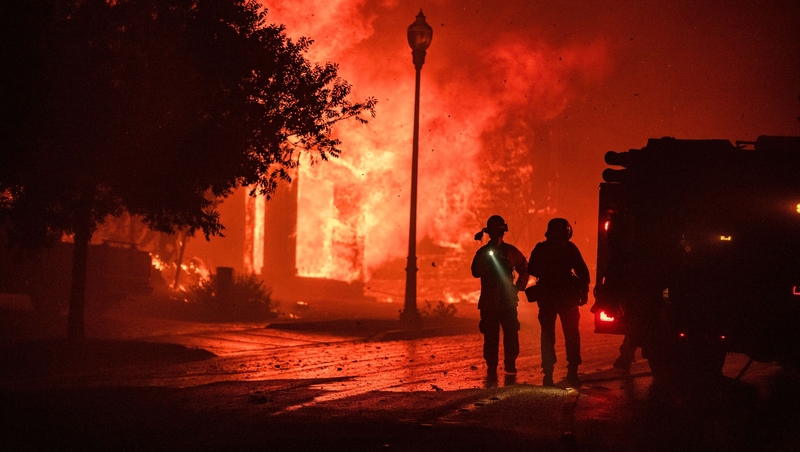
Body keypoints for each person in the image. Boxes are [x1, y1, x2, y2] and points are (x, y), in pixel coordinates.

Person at [528, 218, 590, 387]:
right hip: (567, 298)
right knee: (571, 334)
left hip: (547, 297)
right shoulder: (570, 248)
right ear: (567, 232)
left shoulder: (541, 249)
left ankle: (548, 373)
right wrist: (584, 292)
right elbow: (583, 273)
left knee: (548, 335)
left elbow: (532, 269)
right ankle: (572, 371)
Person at [471, 215, 529, 378]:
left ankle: (509, 363)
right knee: (491, 336)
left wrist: (518, 288)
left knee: (510, 334)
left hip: (507, 301)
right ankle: (492, 366)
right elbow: (475, 271)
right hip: (491, 302)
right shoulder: (484, 253)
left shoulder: (511, 252)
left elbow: (524, 267)